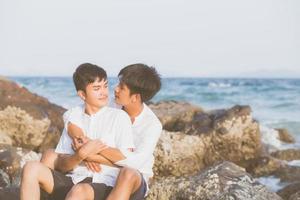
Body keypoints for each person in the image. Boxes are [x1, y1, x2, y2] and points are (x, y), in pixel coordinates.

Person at [41, 63, 163, 200]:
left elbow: (134, 163)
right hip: (102, 172)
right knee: (50, 155)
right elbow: (71, 115)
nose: (115, 89)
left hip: (132, 178)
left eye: (121, 87)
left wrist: (90, 153)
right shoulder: (111, 104)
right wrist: (81, 138)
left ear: (135, 97)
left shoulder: (152, 125)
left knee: (127, 173)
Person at [20, 63, 135, 200]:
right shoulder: (74, 117)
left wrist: (92, 151)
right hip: (73, 179)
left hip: (103, 183)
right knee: (30, 168)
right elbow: (61, 165)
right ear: (82, 94)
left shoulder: (119, 117)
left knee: (79, 191)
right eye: (97, 88)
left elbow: (128, 159)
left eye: (105, 86)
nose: (104, 92)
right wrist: (80, 155)